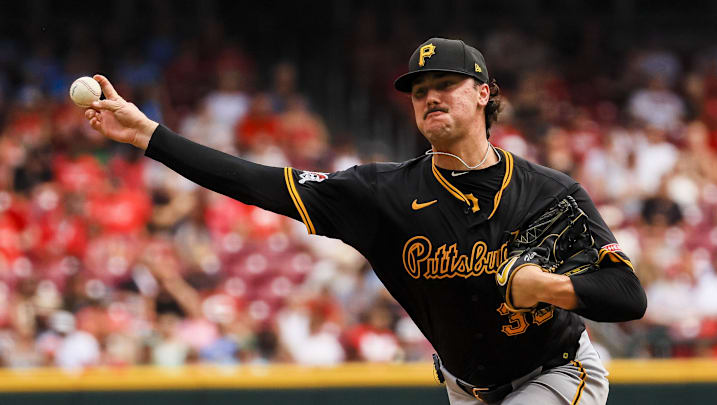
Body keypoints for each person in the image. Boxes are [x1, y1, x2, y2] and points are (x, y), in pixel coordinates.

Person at [84, 37, 646, 405]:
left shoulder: (548, 192)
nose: (429, 97)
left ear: (483, 94)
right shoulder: (382, 194)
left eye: (444, 86)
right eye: (419, 92)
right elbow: (257, 183)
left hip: (556, 371)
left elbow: (627, 294)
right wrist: (147, 136)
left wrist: (548, 287)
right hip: (466, 388)